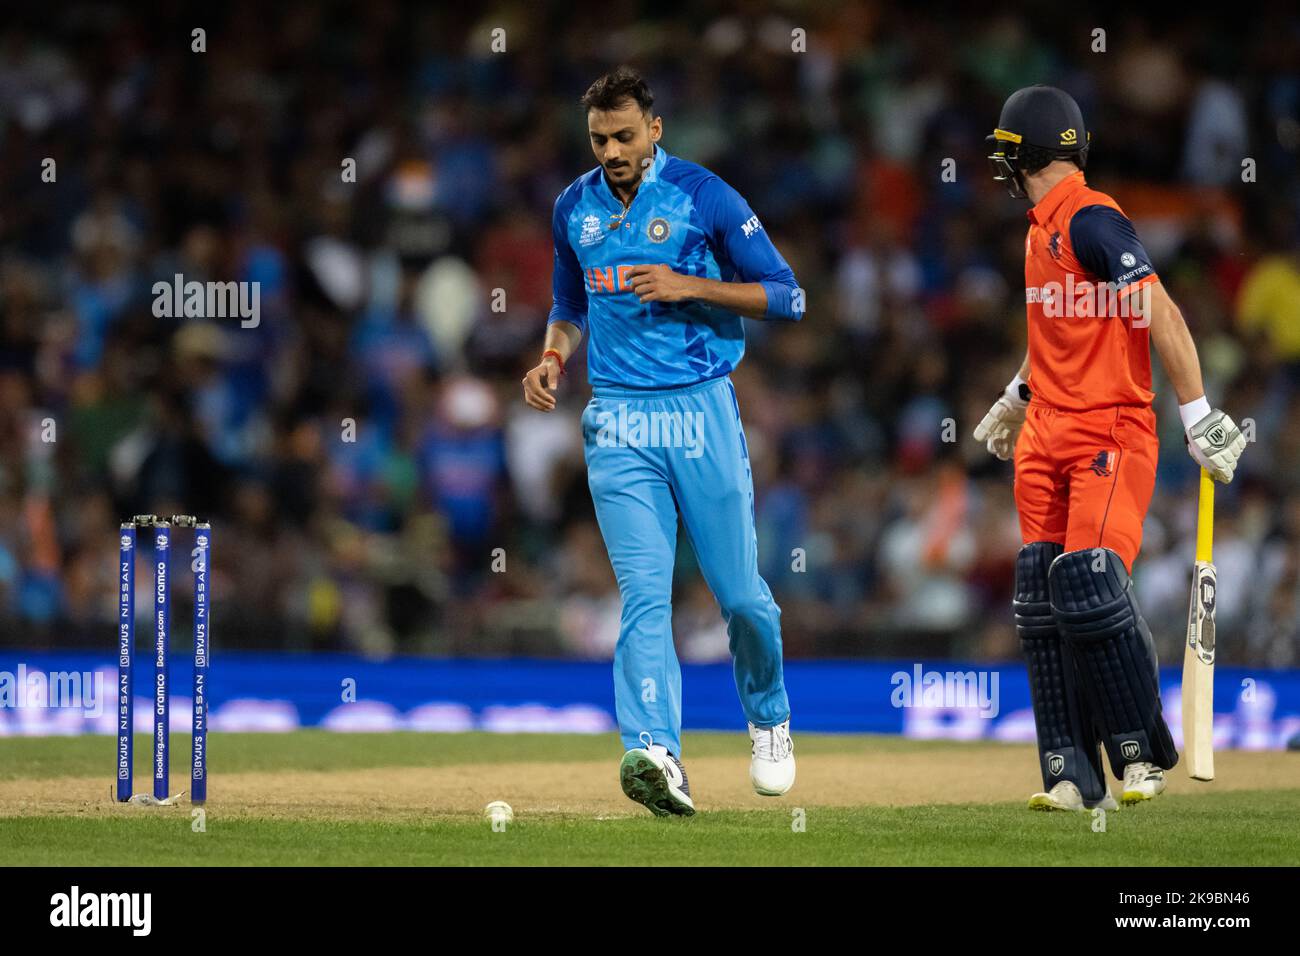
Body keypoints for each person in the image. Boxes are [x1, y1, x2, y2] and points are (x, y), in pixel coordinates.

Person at [523, 67, 802, 816]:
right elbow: (567, 301)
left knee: (741, 596)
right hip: (617, 419)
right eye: (598, 139)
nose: (611, 150)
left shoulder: (706, 197)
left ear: (655, 130)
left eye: (623, 135)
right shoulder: (572, 208)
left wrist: (692, 287)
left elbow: (787, 293)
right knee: (644, 597)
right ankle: (655, 753)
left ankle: (769, 717)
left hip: (699, 410)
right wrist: (553, 355)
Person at [975, 85, 1247, 811]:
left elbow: (1160, 311)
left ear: (1024, 155)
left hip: (1110, 430)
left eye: (1006, 153)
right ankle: (1071, 773)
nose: (1000, 167)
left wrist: (1198, 415)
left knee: (1088, 581)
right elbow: (1057, 334)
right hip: (1046, 435)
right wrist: (1015, 395)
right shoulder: (1039, 232)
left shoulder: (1092, 220)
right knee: (1040, 596)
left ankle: (1141, 751)